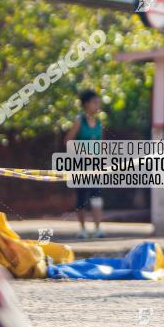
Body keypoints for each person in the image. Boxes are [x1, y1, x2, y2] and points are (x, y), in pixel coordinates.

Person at [64, 89, 104, 239]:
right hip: (80, 165)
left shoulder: (99, 122)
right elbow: (68, 141)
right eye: (95, 102)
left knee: (97, 195)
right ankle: (82, 229)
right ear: (86, 104)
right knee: (81, 196)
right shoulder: (79, 121)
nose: (97, 105)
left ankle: (98, 228)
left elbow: (102, 143)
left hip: (95, 166)